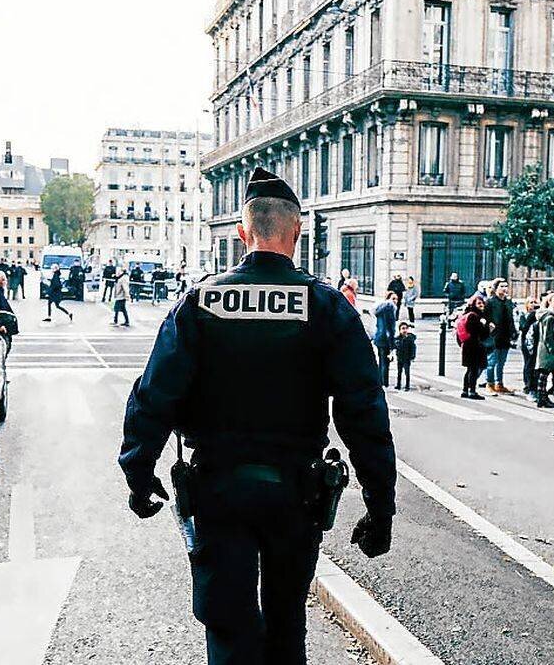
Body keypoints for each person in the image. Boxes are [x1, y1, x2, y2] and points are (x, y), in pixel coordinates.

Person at [118, 166, 396, 665]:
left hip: (219, 491)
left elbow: (155, 393)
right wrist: (380, 507)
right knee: (287, 625)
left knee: (228, 627)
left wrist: (139, 471)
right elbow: (365, 414)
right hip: (295, 493)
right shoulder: (328, 306)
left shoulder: (200, 302)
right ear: (298, 233)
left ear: (242, 234)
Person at [484, 279, 516, 395]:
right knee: (492, 361)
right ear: (496, 288)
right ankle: (489, 384)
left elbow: (511, 318)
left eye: (506, 286)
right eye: (502, 286)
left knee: (501, 362)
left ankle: (499, 384)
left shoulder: (508, 302)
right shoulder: (490, 302)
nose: (505, 288)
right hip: (494, 336)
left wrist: (513, 332)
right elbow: (484, 317)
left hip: (505, 335)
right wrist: (489, 326)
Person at [457, 296, 490, 400]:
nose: (482, 305)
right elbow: (480, 333)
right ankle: (472, 391)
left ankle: (465, 390)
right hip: (474, 346)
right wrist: (487, 327)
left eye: (482, 303)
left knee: (469, 369)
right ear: (474, 305)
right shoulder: (475, 317)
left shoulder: (467, 315)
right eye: (479, 303)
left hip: (467, 344)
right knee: (474, 369)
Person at [533, 293, 554, 409]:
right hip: (549, 348)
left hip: (544, 347)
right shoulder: (550, 317)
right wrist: (553, 348)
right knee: (544, 374)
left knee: (544, 374)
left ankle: (542, 397)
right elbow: (547, 335)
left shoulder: (546, 315)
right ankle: (542, 397)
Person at [373, 292, 398, 388]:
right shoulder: (389, 309)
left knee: (381, 360)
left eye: (396, 299)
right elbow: (390, 328)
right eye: (393, 298)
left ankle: (380, 380)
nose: (396, 301)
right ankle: (384, 382)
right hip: (385, 339)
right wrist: (392, 344)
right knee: (385, 362)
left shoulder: (380, 309)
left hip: (379, 337)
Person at [518, 297, 539, 396]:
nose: (533, 304)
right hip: (527, 343)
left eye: (535, 302)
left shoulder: (538, 315)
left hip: (536, 342)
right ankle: (527, 384)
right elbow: (523, 327)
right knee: (528, 363)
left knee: (534, 364)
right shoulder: (524, 315)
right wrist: (531, 316)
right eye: (531, 302)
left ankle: (533, 384)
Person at [394, 322, 416, 391]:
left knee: (407, 372)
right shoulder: (397, 339)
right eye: (403, 328)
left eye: (406, 328)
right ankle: (398, 384)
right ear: (400, 330)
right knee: (399, 372)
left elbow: (413, 348)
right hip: (400, 358)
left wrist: (412, 357)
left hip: (407, 358)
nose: (404, 330)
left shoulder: (410, 339)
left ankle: (407, 385)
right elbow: (395, 347)